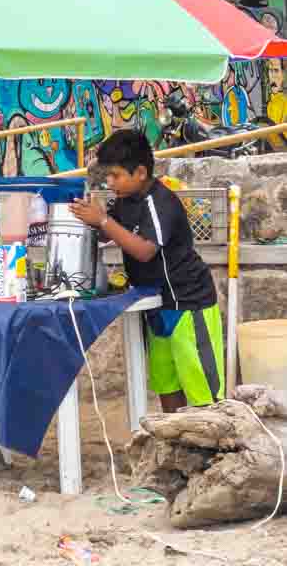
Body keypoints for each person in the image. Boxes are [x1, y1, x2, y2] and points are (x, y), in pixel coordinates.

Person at [70, 129, 223, 411]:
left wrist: (103, 220)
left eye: (115, 175)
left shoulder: (160, 202)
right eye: (107, 175)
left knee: (203, 387)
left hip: (188, 303)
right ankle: (175, 443)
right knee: (167, 383)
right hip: (156, 303)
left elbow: (144, 250)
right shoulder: (125, 200)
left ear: (140, 172)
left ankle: (216, 450)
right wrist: (87, 218)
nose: (109, 181)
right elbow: (109, 234)